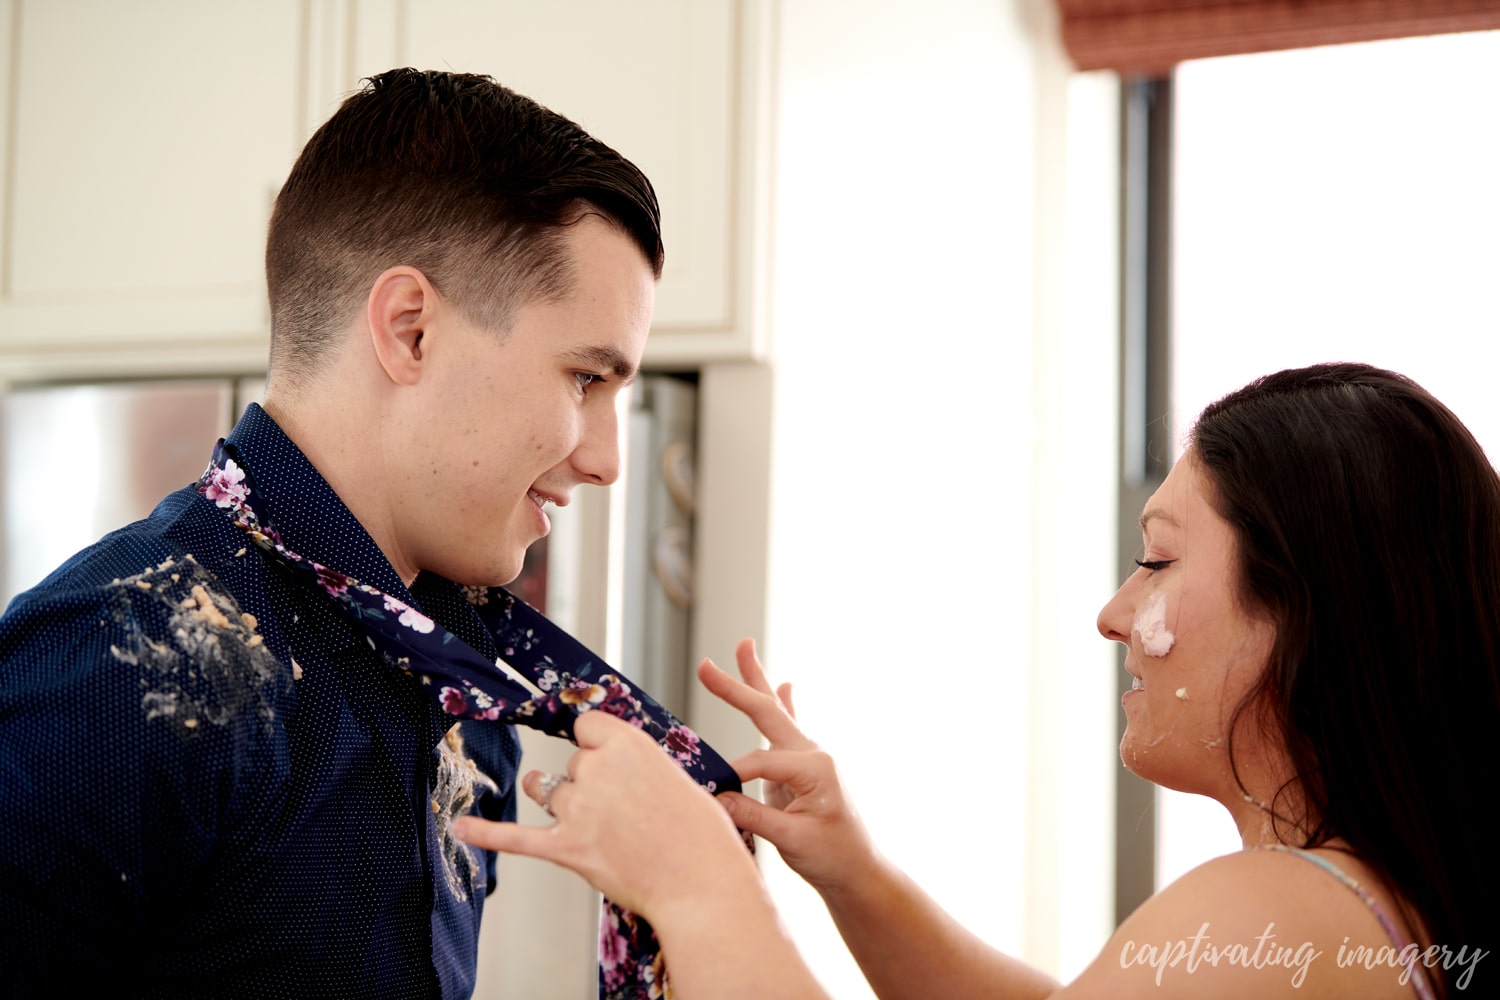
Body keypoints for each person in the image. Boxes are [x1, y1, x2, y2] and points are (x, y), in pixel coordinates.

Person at [456, 362, 1499, 999]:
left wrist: (696, 882)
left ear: (1301, 607)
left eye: (1160, 559)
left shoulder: (1273, 912)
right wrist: (855, 875)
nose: (1114, 612)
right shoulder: (1376, 910)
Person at [0, 68, 666, 996]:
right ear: (410, 331)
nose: (605, 460)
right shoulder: (116, 664)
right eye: (586, 379)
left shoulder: (471, 701)